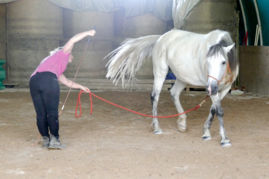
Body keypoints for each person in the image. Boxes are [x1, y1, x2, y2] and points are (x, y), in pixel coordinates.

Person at [29, 29, 96, 149]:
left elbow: (66, 82)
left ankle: (45, 139)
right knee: (52, 113)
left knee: (41, 113)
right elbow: (73, 40)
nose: (72, 57)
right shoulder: (63, 54)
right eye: (72, 55)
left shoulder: (52, 63)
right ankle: (54, 140)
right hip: (48, 80)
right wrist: (87, 33)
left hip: (34, 81)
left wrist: (81, 87)